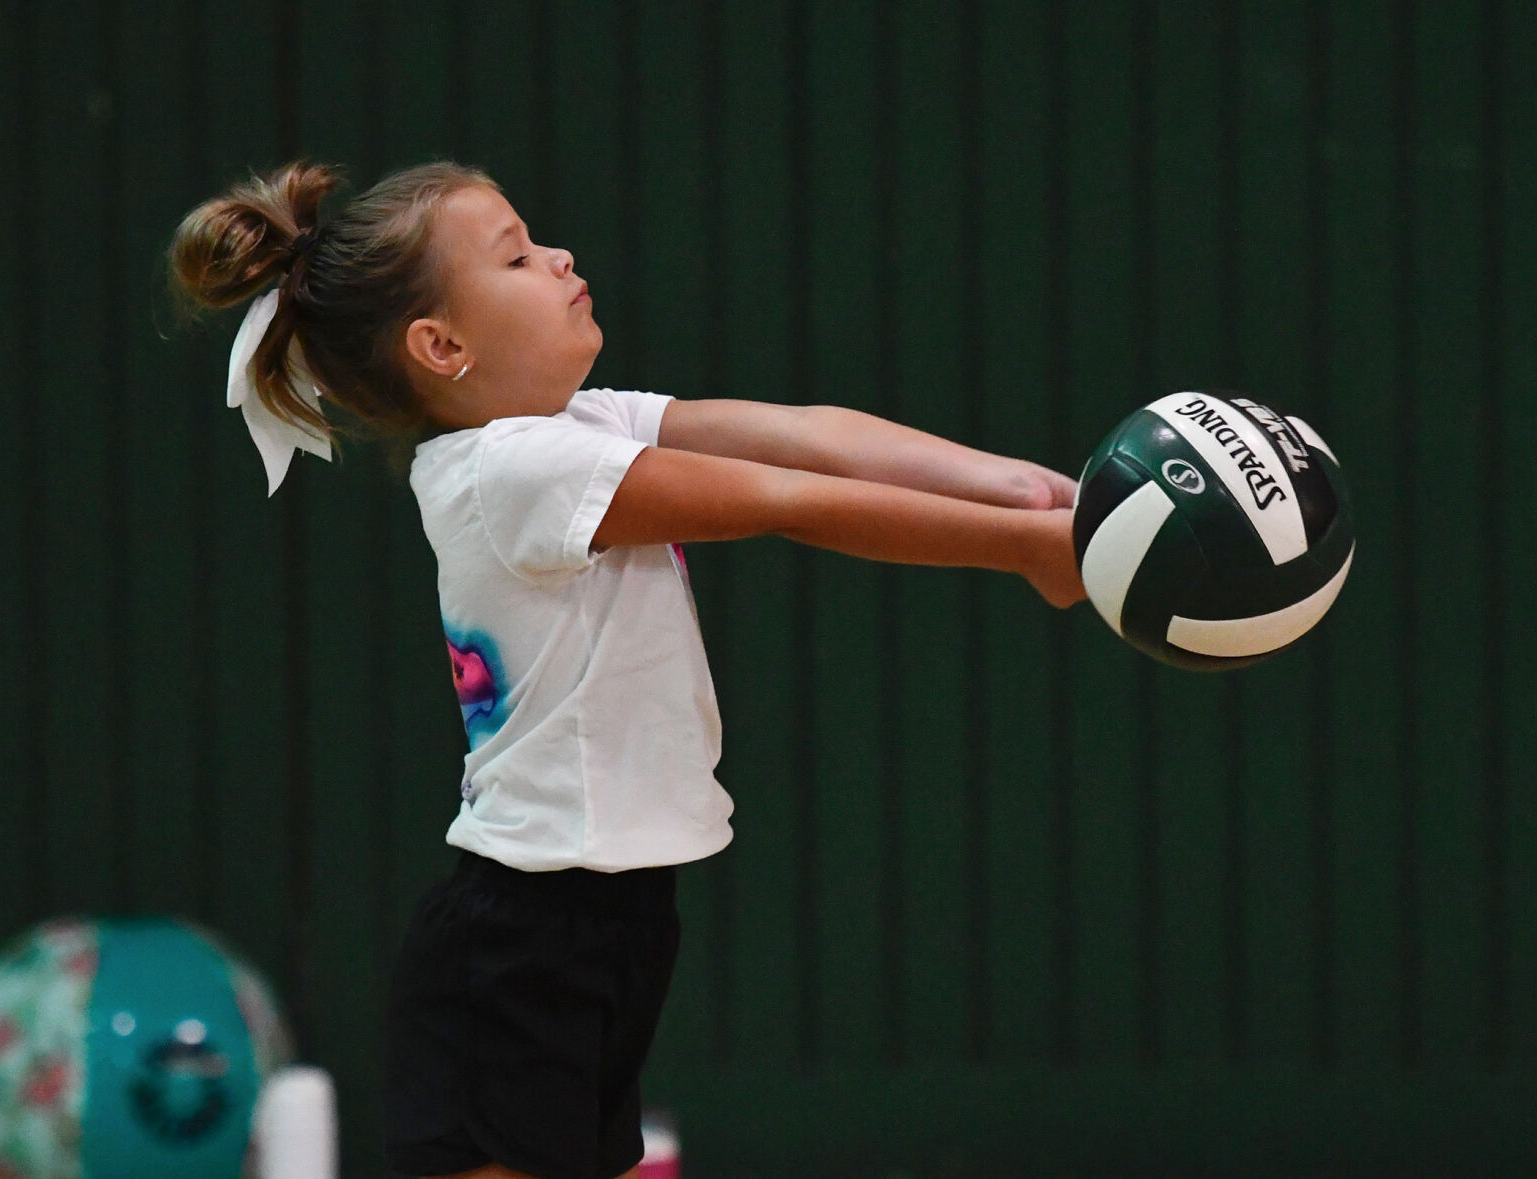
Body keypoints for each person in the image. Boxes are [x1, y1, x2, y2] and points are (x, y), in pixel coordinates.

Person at [169, 161, 1085, 1179]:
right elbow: (788, 497)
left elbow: (806, 434)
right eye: (515, 254)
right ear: (442, 346)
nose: (558, 257)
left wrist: (1011, 487)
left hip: (609, 923)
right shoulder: (510, 472)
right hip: (520, 944)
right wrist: (1020, 550)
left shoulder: (576, 428)